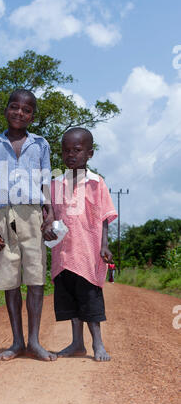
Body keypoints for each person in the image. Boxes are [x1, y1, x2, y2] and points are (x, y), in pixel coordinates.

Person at [0, 88, 57, 362]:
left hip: (33, 215)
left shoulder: (40, 144)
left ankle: (35, 341)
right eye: (14, 107)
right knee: (10, 280)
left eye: (26, 110)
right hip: (1, 216)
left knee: (36, 278)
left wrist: (50, 213)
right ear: (6, 110)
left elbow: (47, 182)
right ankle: (16, 342)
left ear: (32, 116)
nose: (19, 113)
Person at [50, 127, 117, 361]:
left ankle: (98, 343)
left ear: (90, 153)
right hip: (63, 255)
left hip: (88, 255)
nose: (71, 155)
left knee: (90, 302)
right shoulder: (55, 184)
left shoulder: (97, 183)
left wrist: (104, 245)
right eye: (66, 150)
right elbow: (51, 215)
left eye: (77, 150)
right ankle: (77, 343)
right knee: (70, 303)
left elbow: (105, 217)